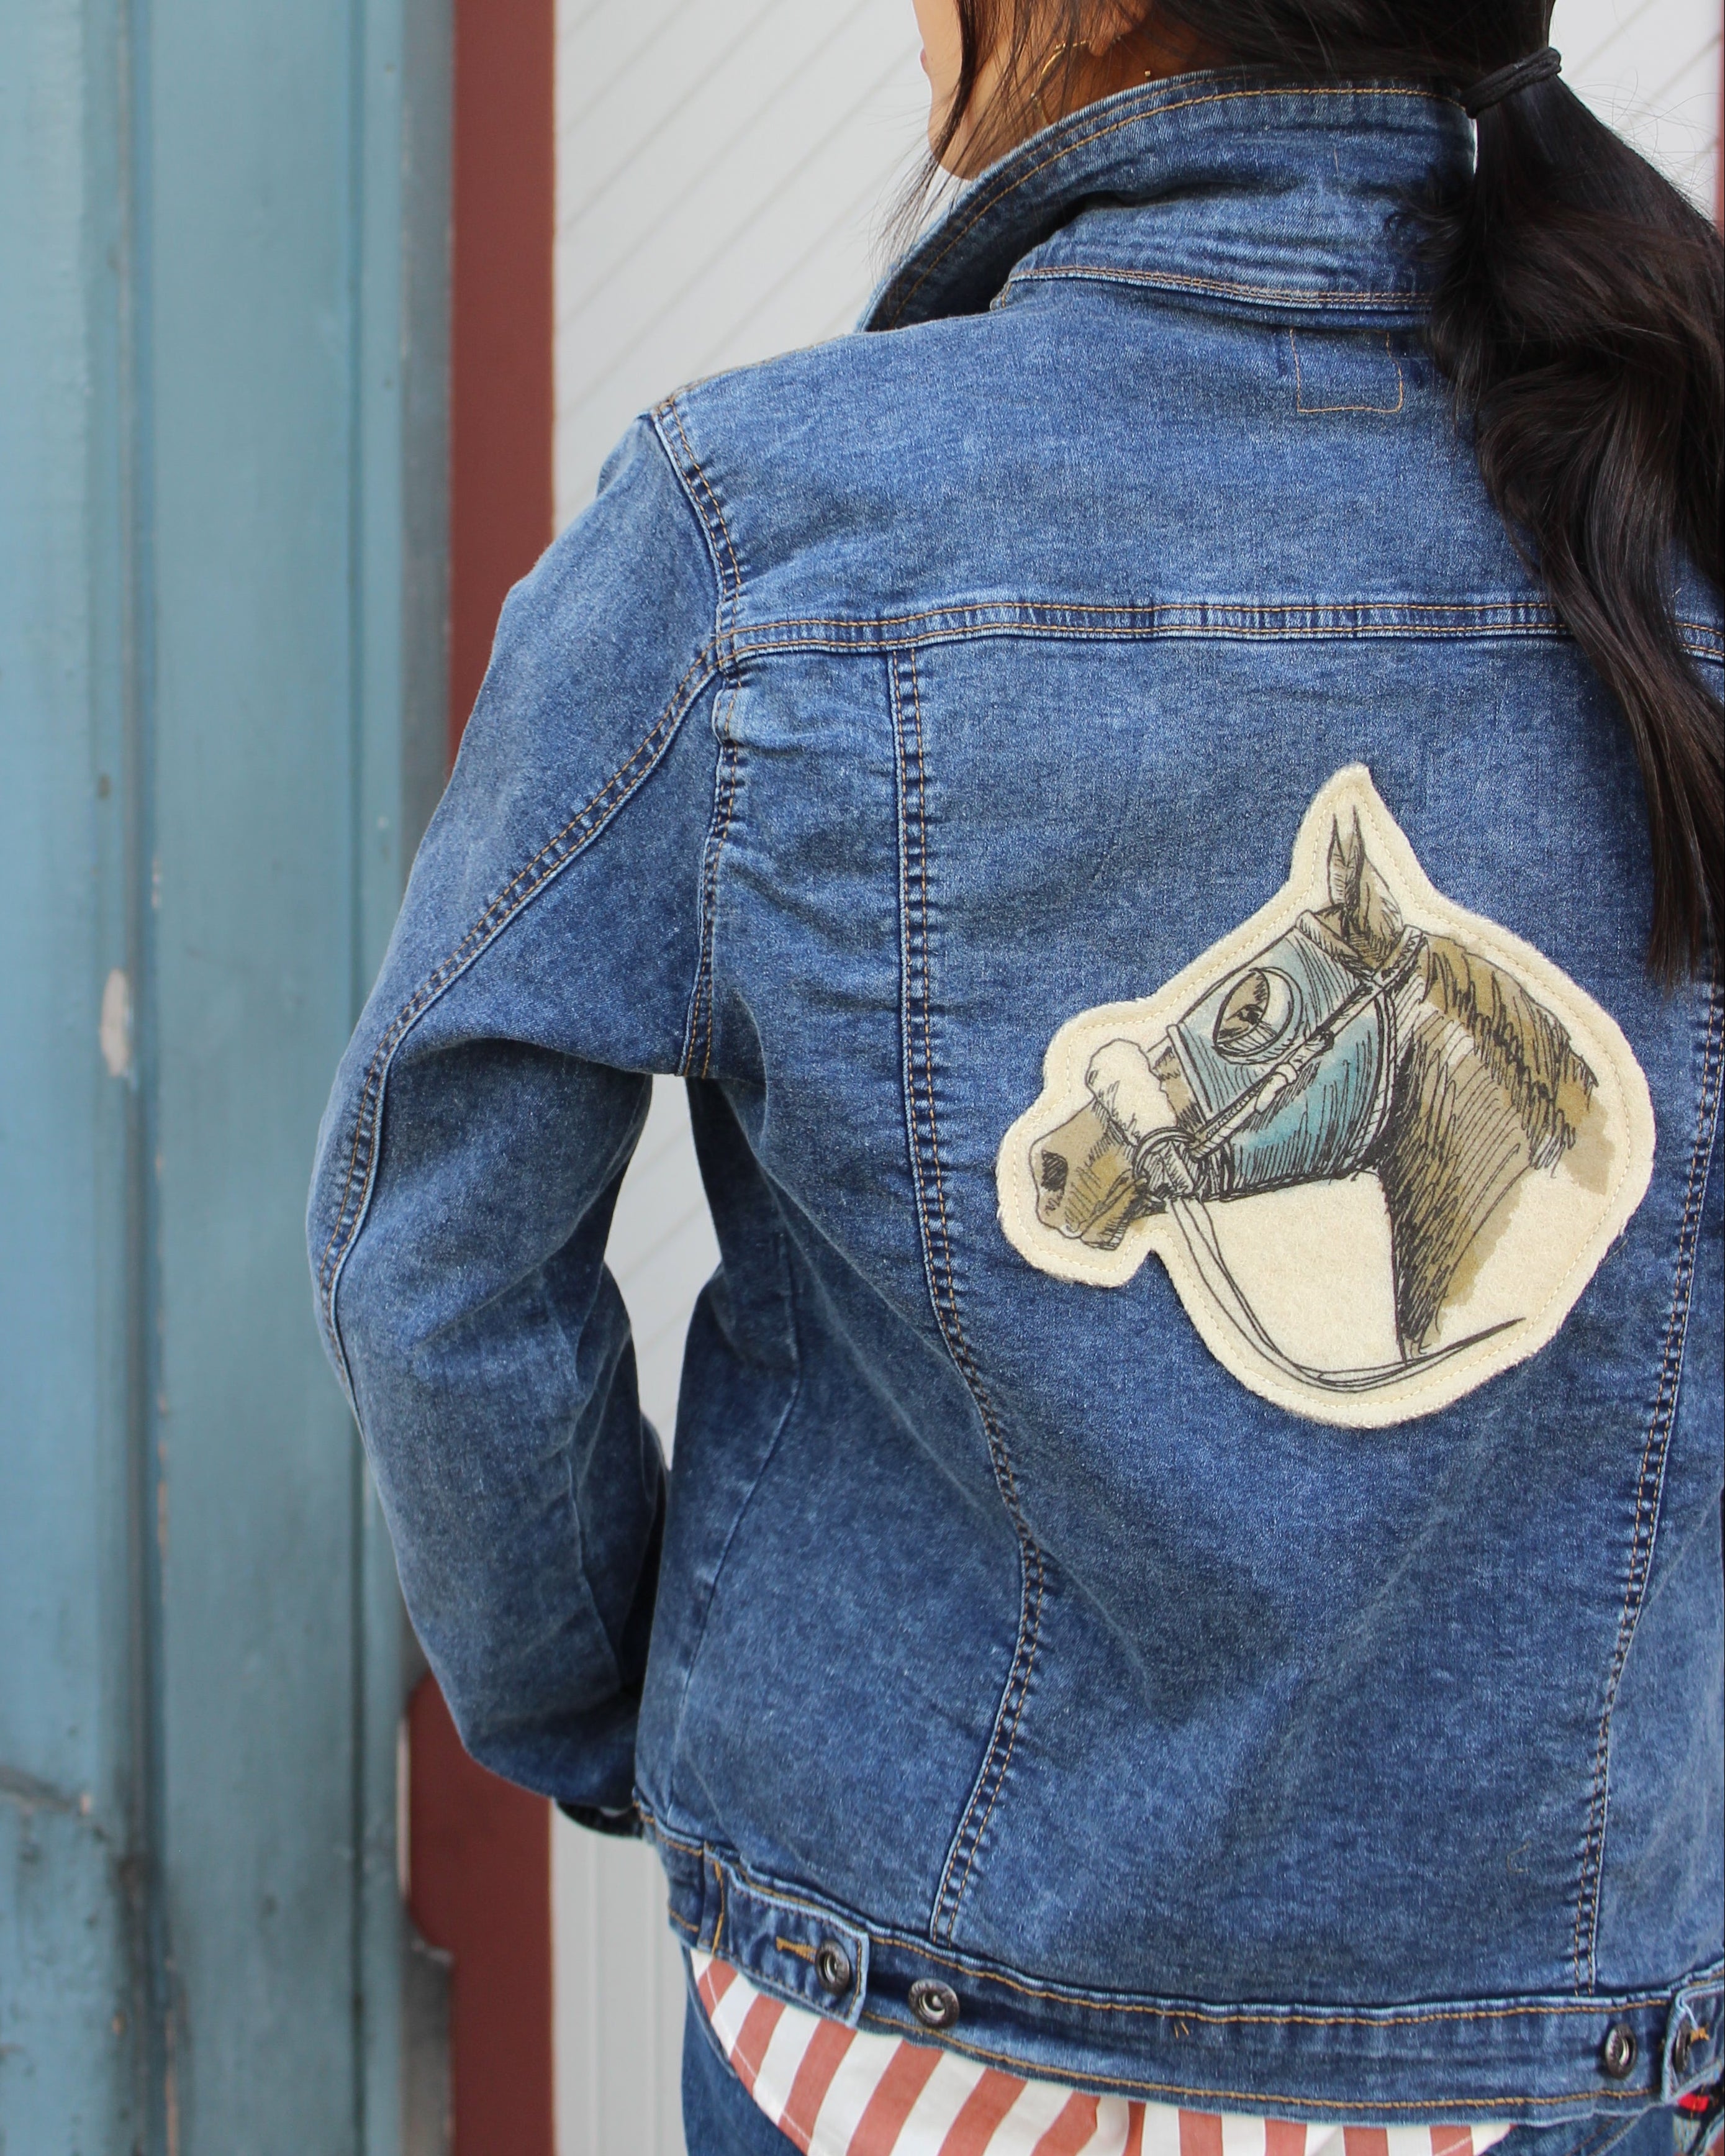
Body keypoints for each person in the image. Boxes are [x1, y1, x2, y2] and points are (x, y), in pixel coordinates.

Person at [307, 3, 1724, 2151]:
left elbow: (436, 1260)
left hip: (896, 2035)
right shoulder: (1678, 485)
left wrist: (606, 1707)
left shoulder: (753, 528)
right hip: (1567, 2057)